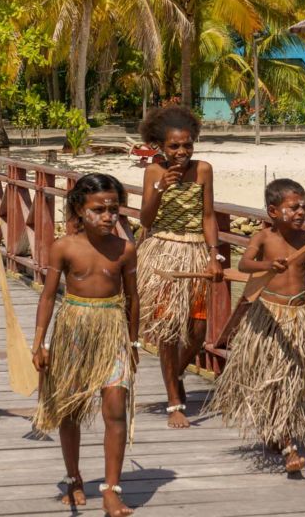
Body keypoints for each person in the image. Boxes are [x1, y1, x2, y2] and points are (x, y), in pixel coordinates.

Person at [32, 173, 139, 517]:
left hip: (112, 329)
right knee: (70, 408)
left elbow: (133, 299)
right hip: (74, 328)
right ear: (80, 208)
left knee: (116, 408)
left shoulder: (125, 249)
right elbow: (48, 296)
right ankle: (74, 476)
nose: (108, 217)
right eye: (99, 209)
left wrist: (133, 343)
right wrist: (39, 343)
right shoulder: (64, 246)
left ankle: (111, 489)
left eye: (114, 210)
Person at [207, 179, 305, 473]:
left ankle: (278, 431)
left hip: (297, 316)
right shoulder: (263, 238)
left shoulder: (304, 239)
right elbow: (245, 265)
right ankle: (289, 449)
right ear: (274, 211)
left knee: (290, 378)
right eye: (294, 207)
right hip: (268, 318)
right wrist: (268, 267)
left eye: (304, 206)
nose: (301, 212)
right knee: (273, 376)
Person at [136, 106, 223, 429]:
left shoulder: (204, 170)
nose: (182, 152)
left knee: (198, 331)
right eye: (174, 146)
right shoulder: (153, 173)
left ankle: (176, 375)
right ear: (160, 145)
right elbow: (145, 220)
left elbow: (209, 216)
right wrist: (162, 188)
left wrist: (214, 254)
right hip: (163, 256)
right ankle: (175, 402)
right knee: (169, 331)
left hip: (196, 253)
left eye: (187, 145)